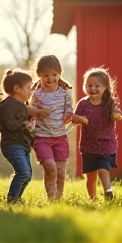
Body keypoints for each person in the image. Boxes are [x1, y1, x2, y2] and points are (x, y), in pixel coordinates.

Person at [30, 55, 88, 201]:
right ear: (39, 75)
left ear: (59, 74)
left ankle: (58, 198)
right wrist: (37, 114)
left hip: (60, 137)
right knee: (50, 167)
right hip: (42, 138)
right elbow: (30, 112)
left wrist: (71, 117)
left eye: (54, 75)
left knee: (61, 172)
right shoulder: (36, 95)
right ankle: (51, 197)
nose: (51, 78)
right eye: (46, 75)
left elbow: (69, 111)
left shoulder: (64, 94)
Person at [0, 68, 51, 204]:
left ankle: (17, 197)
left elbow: (25, 118)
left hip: (23, 145)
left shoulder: (22, 105)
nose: (32, 91)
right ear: (17, 88)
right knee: (23, 173)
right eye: (29, 88)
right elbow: (10, 123)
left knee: (27, 175)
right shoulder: (8, 106)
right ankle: (12, 198)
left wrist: (32, 121)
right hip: (12, 145)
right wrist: (24, 124)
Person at [74, 67, 122, 201]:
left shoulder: (109, 103)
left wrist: (117, 116)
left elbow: (118, 114)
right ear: (85, 86)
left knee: (103, 170)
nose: (93, 89)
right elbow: (74, 118)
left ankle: (109, 193)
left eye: (97, 86)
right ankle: (93, 199)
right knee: (91, 176)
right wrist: (79, 119)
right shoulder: (83, 104)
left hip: (106, 145)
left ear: (106, 88)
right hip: (88, 146)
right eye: (89, 85)